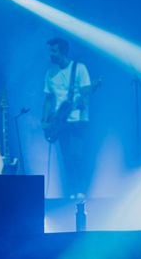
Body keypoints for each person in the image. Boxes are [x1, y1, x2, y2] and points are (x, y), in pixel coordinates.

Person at [41, 37, 91, 199]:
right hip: (59, 121)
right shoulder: (50, 73)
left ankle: (81, 190)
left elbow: (86, 93)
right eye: (50, 51)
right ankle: (72, 191)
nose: (51, 55)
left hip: (77, 120)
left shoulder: (79, 68)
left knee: (77, 155)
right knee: (66, 158)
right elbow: (48, 99)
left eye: (54, 51)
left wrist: (81, 103)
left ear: (63, 52)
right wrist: (45, 120)